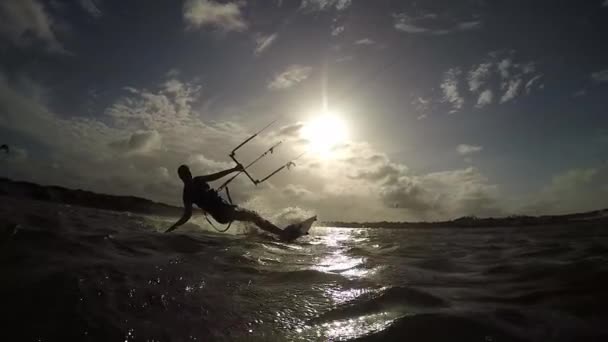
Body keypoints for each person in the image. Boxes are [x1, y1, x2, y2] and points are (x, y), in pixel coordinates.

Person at [165, 164, 295, 239]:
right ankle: (282, 234)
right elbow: (187, 215)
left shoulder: (196, 183)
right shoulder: (188, 192)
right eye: (185, 175)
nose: (188, 177)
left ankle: (264, 236)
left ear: (189, 173)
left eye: (188, 174)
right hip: (223, 213)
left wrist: (233, 169)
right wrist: (172, 228)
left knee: (251, 217)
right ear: (181, 177)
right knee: (253, 216)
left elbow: (216, 176)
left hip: (223, 213)